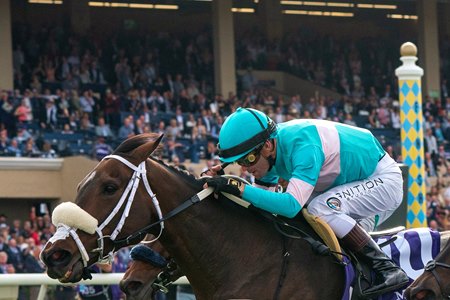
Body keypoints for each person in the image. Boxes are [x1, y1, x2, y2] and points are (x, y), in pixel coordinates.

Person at [203, 107, 409, 298]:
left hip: (383, 181)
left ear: (267, 146)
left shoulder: (303, 145)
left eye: (247, 160)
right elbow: (261, 208)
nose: (245, 169)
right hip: (349, 184)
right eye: (238, 162)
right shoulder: (269, 153)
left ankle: (388, 268)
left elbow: (290, 205)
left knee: (319, 208)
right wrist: (221, 191)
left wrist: (239, 187)